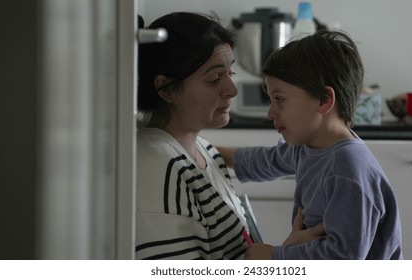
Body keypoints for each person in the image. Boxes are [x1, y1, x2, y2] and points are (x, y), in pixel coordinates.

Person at [134, 12, 324, 260]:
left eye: (230, 74)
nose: (232, 90)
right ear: (165, 89)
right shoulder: (157, 169)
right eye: (214, 79)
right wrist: (282, 256)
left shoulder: (204, 150)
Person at [218, 30, 403, 260]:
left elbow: (344, 259)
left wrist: (276, 257)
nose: (271, 112)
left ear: (324, 100)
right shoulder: (307, 146)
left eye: (280, 99)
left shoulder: (348, 170)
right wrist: (212, 151)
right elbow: (266, 161)